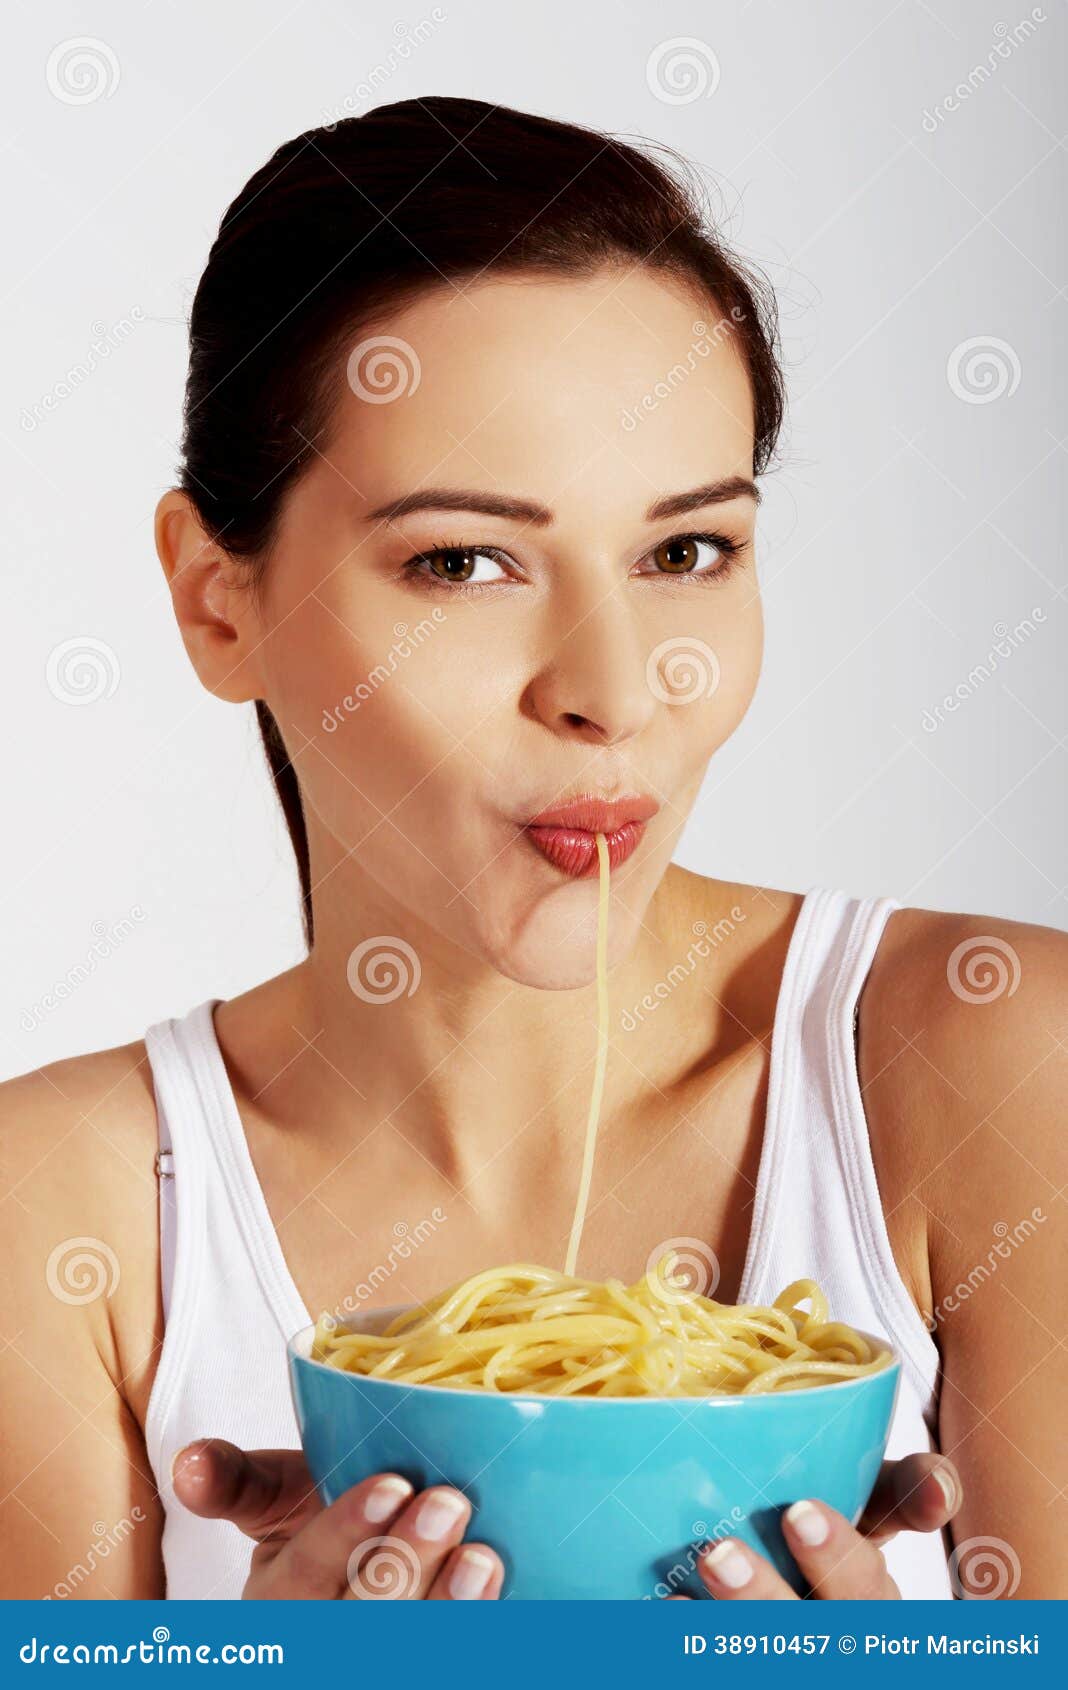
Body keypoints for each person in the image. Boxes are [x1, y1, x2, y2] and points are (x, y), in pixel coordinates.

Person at [4, 97, 1063, 1603]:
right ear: (216, 600)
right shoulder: (55, 1211)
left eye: (686, 551)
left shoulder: (988, 1058)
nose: (615, 690)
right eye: (464, 561)